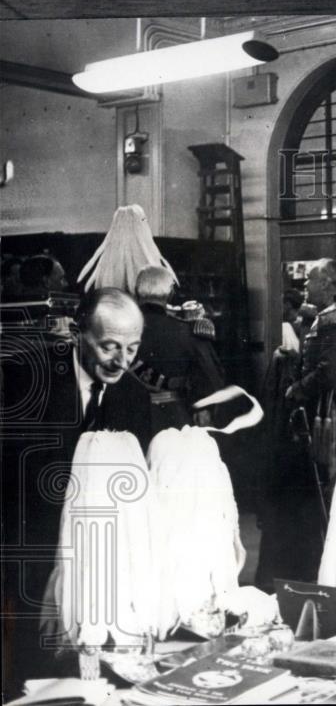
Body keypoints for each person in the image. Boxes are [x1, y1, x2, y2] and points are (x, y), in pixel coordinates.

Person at [1, 287, 151, 696]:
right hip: (22, 546)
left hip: (88, 559)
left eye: (132, 348)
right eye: (109, 347)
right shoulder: (21, 379)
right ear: (78, 333)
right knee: (18, 674)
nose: (122, 361)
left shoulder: (135, 398)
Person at [259, 259, 336, 585]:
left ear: (328, 285)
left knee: (330, 488)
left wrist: (296, 389)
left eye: (311, 280)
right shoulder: (331, 317)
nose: (305, 285)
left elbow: (328, 374)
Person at [131, 265, 225, 433]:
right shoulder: (188, 330)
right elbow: (212, 376)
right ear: (170, 294)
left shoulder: (120, 329)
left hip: (127, 417)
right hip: (173, 419)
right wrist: (203, 409)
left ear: (136, 292)